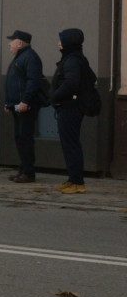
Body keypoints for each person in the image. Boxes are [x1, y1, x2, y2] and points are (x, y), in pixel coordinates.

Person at [50, 28, 89, 194]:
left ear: (69, 42)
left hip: (70, 108)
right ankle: (72, 179)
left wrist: (54, 96)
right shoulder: (72, 58)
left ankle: (77, 182)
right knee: (68, 144)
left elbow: (70, 83)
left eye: (61, 40)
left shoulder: (72, 60)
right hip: (67, 107)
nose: (59, 43)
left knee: (71, 144)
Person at [4, 30, 45, 183]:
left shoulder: (29, 58)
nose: (9, 44)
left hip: (25, 106)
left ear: (19, 43)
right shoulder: (21, 57)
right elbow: (16, 82)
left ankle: (28, 172)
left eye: (12, 41)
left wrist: (26, 101)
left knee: (25, 138)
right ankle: (23, 170)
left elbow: (33, 82)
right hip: (18, 106)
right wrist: (9, 103)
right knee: (20, 138)